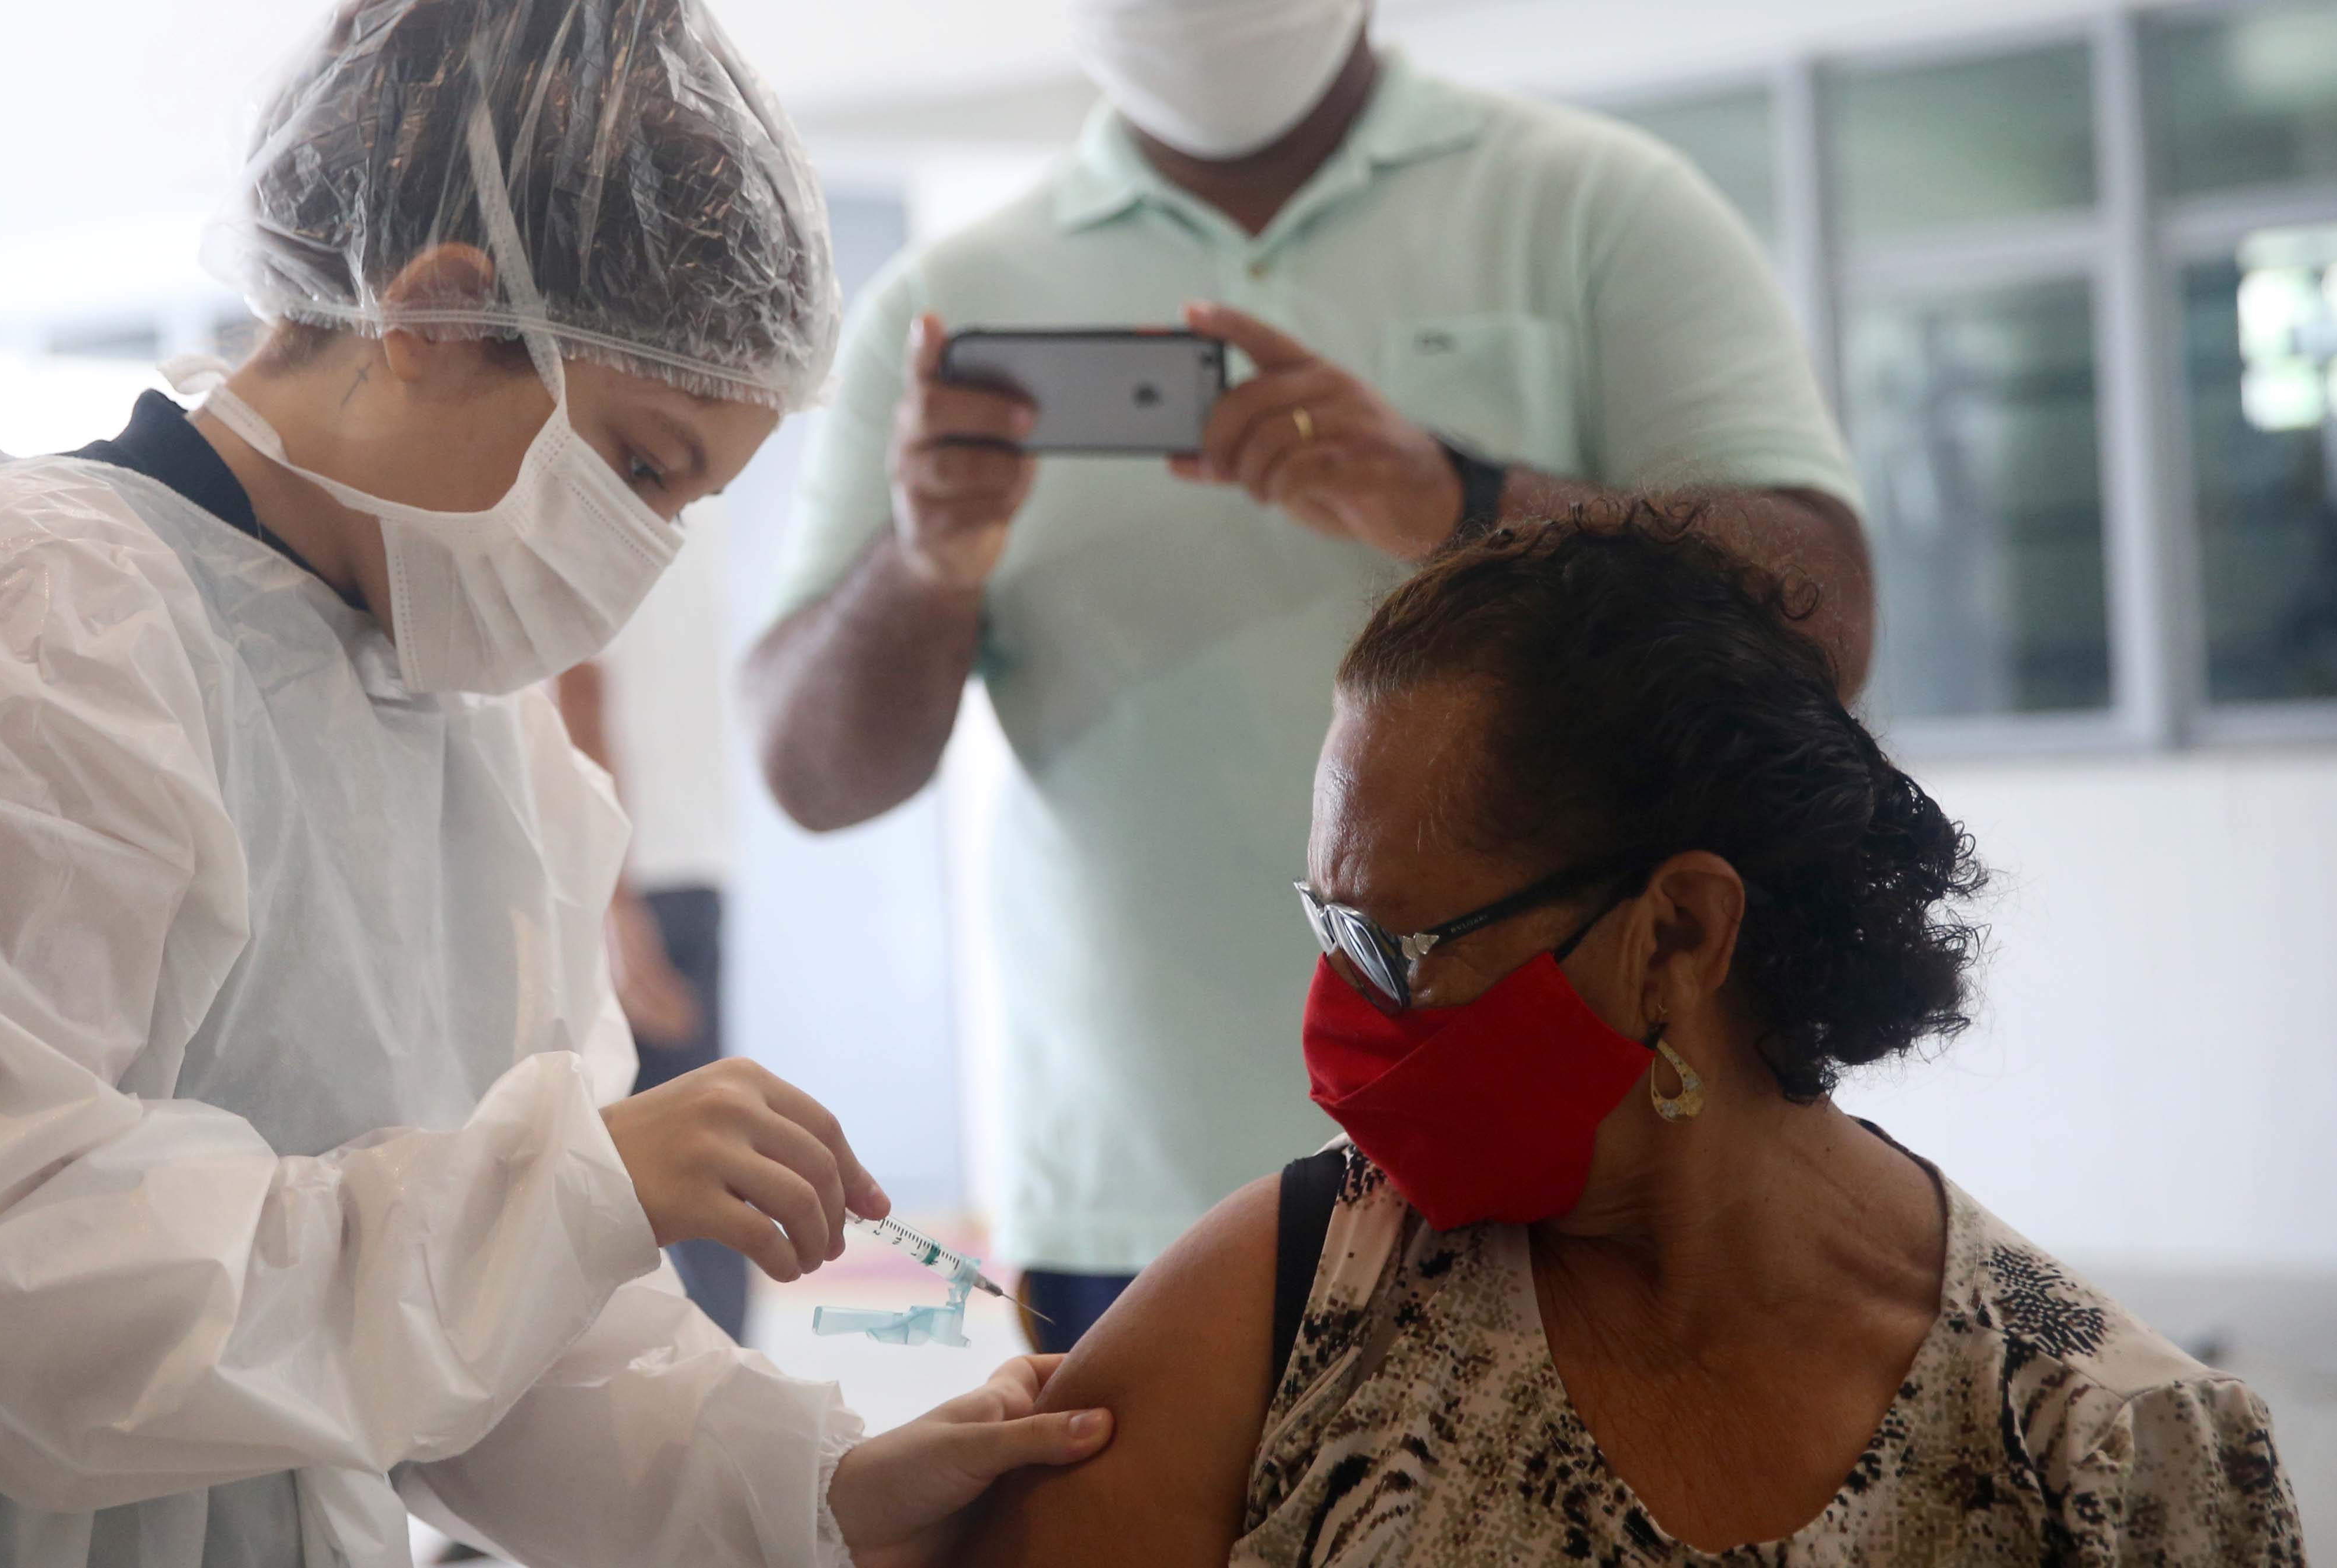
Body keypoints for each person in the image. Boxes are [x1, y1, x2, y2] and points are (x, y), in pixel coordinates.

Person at [0, 2, 1113, 1564]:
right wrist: (567, 1190)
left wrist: (808, 1491)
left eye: (691, 500)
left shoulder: (486, 746)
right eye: (639, 466)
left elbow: (490, 1343)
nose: (643, 550)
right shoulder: (26, 619)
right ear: (428, 312)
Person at [746, 0, 1872, 1354]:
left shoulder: (1596, 203)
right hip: (1133, 1205)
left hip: (1582, 1164)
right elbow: (809, 772)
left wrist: (1459, 499)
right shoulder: (941, 310)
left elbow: (1823, 615)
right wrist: (928, 566)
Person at [949, 508, 2308, 1565]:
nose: (1343, 1016)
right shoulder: (1291, 1310)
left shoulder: (2110, 1453)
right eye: (1330, 927)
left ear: (1674, 936)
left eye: (1401, 947)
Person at [553, 506, 750, 1342]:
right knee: (674, 1179)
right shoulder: (611, 503)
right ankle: (699, 1403)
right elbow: (576, 680)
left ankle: (724, 1398)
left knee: (705, 1170)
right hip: (643, 881)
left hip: (679, 875)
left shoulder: (683, 505)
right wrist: (614, 901)